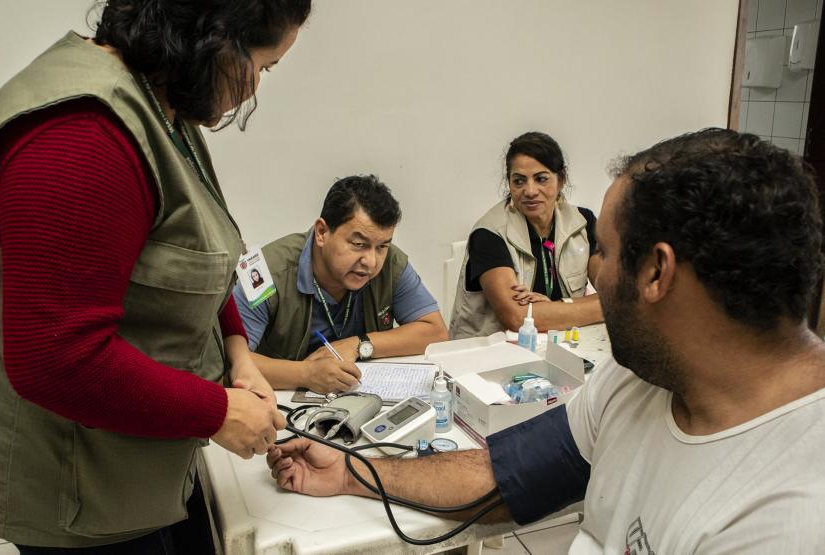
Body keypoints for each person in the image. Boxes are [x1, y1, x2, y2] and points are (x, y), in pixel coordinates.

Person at [267, 129, 825, 552]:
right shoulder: (635, 381)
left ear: (657, 272)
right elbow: (501, 473)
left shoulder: (791, 518)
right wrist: (349, 471)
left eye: (601, 252)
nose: (593, 277)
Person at [0, 0, 310, 552]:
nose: (254, 90)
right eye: (262, 67)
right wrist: (216, 411)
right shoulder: (81, 136)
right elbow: (55, 360)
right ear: (216, 38)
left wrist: (238, 350)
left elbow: (195, 253)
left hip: (138, 445)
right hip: (70, 477)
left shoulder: (158, 105)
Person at [234, 175, 449, 394]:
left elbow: (436, 332)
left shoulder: (390, 264)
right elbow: (231, 362)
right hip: (279, 407)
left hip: (360, 400)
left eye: (382, 246)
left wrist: (359, 344)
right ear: (322, 232)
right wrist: (306, 374)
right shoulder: (263, 274)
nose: (371, 262)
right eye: (358, 244)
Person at [450, 132, 603, 338]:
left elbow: (617, 297)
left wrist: (553, 308)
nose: (530, 191)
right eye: (519, 181)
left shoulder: (583, 222)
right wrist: (581, 308)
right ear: (509, 183)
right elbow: (516, 318)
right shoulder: (489, 233)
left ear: (561, 180)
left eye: (541, 179)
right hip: (492, 356)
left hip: (557, 346)